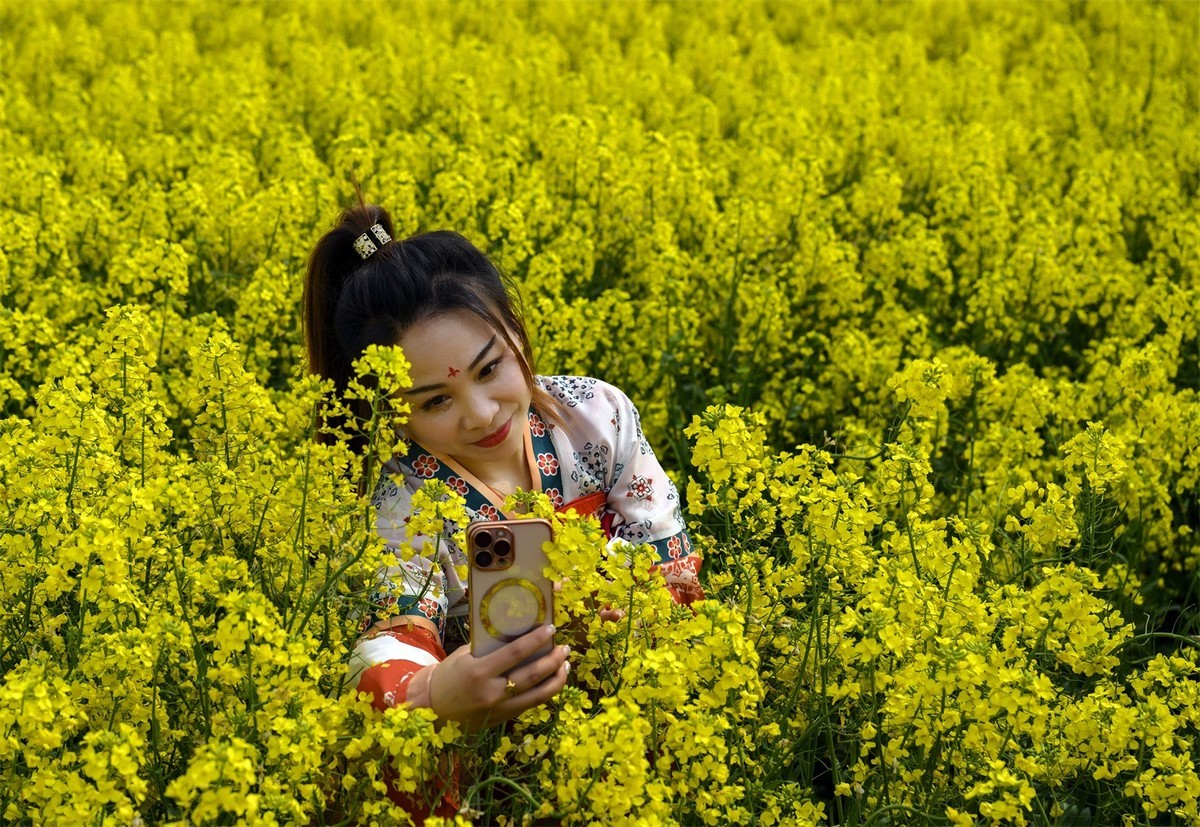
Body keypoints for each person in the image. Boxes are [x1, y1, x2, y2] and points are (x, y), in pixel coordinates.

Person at [303, 203, 704, 819]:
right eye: (435, 400)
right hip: (495, 743)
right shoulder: (402, 501)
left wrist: (626, 599)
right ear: (390, 409)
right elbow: (393, 632)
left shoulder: (597, 416)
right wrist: (438, 695)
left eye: (491, 368)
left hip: (633, 702)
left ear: (516, 327)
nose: (482, 413)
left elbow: (673, 562)